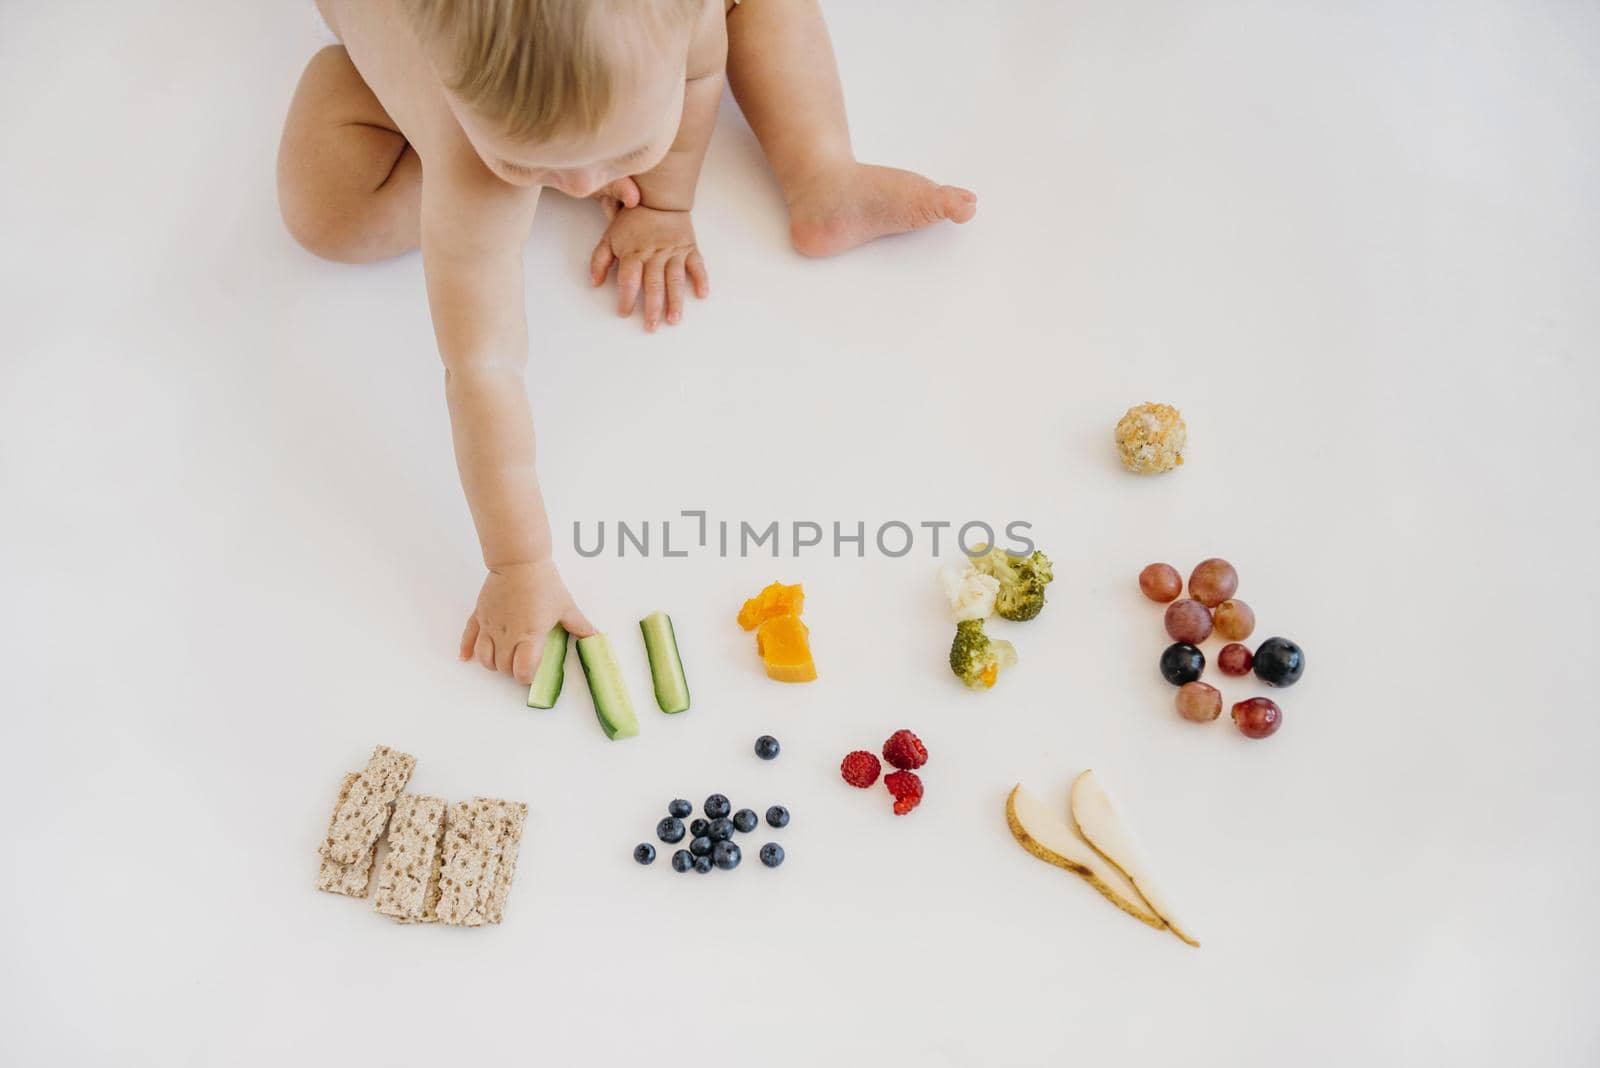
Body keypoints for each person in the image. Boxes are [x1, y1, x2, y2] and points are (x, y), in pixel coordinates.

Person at [277, 0, 977, 684]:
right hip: (411, 77)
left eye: (623, 151)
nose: (588, 185)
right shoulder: (469, 162)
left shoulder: (688, 19)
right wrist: (518, 564)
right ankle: (523, 130)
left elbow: (701, 73)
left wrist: (666, 202)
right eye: (535, 161)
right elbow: (480, 367)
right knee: (327, 215)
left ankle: (823, 171)